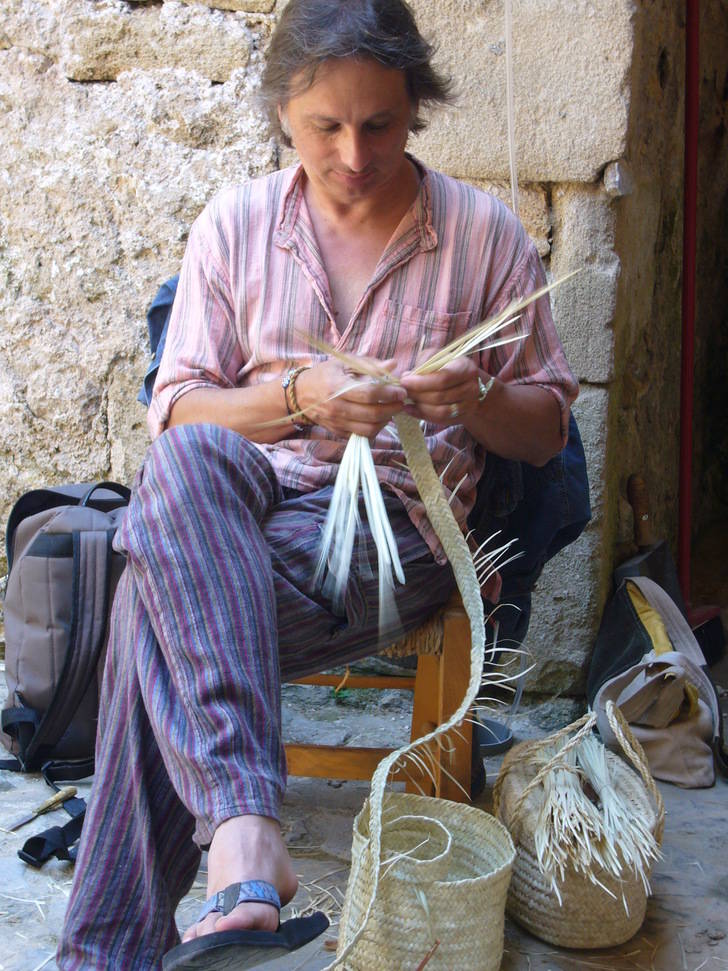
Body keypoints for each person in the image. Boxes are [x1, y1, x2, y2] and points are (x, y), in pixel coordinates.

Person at [58, 1, 578, 968]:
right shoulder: (238, 224)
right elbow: (176, 410)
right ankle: (243, 841)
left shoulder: (480, 233)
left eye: (378, 124)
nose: (351, 154)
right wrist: (301, 396)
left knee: (147, 609)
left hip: (395, 538)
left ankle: (147, 918)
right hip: (235, 511)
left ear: (415, 106)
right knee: (184, 462)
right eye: (323, 128)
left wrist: (476, 397)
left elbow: (547, 432)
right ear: (281, 116)